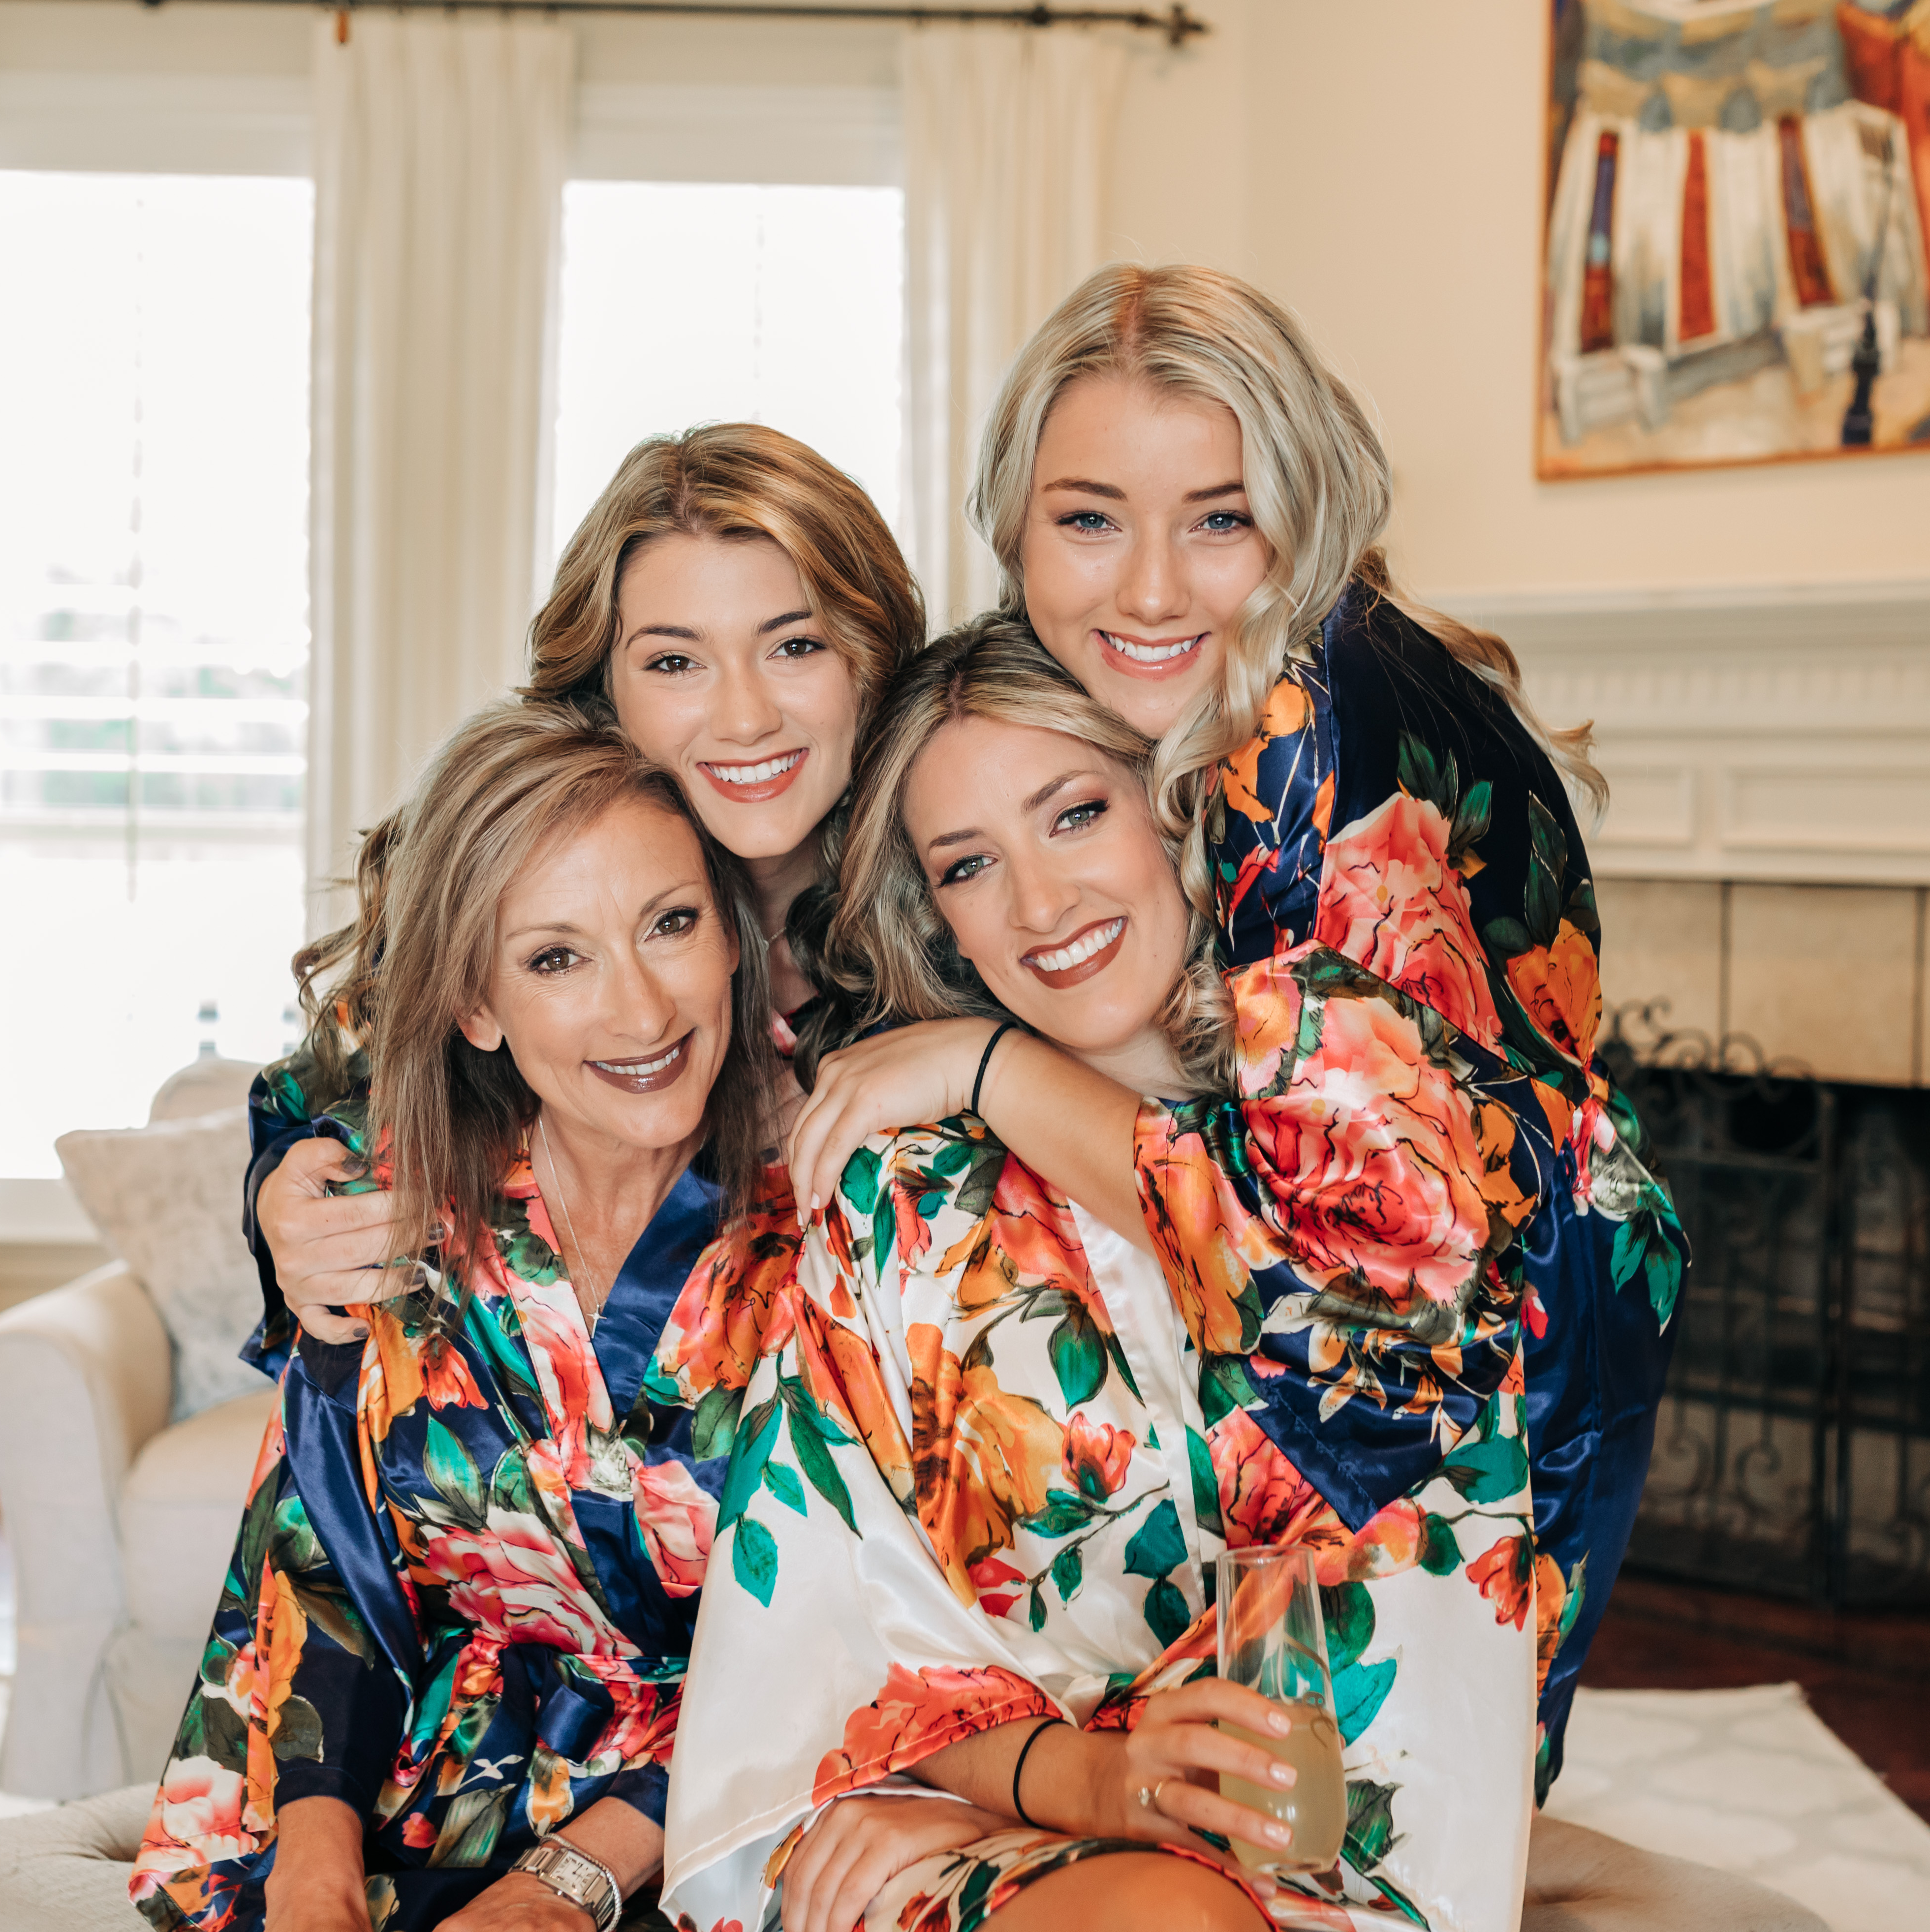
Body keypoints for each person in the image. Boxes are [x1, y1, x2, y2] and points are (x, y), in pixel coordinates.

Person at [668, 622, 1812, 1932]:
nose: (1038, 904)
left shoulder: (1380, 1163)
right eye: (969, 864)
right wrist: (1087, 1783)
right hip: (1025, 1824)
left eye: (1075, 813)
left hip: (1338, 1830)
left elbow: (1473, 1542)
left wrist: (992, 1064)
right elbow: (840, 1647)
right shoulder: (899, 1200)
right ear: (936, 916)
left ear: (1177, 813)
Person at [785, 265, 1688, 1803]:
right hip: (1490, 1305)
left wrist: (987, 1068)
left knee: (1354, 1827)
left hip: (1484, 1357)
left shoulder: (1306, 732)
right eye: (1089, 520)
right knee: (1361, 1823)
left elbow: (1328, 1281)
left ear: (1298, 516)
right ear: (1010, 528)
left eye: (1218, 519)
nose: (1148, 591)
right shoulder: (1276, 692)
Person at [130, 706, 820, 1932]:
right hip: (427, 1802)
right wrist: (315, 1880)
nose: (641, 1009)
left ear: (732, 937)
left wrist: (563, 1885)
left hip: (735, 1818)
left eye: (670, 923)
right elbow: (323, 1573)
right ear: (477, 1006)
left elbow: (853, 1636)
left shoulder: (842, 1229)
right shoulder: (387, 1215)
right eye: (557, 958)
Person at [246, 425, 926, 1355]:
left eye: (795, 645)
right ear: (603, 689)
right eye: (676, 662)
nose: (745, 717)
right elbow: (319, 1096)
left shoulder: (971, 899)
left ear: (869, 660)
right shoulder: (512, 870)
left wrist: (983, 1060)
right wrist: (284, 1202)